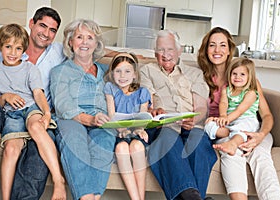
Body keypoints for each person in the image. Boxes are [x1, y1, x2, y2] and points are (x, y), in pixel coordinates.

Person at [0, 7, 65, 199]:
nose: (46, 33)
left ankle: (58, 182)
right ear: (31, 24)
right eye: (42, 26)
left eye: (52, 30)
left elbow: (38, 93)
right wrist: (4, 96)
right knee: (11, 148)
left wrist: (46, 114)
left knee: (37, 132)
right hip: (9, 112)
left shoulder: (53, 55)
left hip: (33, 108)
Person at [198, 26, 280, 200]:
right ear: (206, 50)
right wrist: (225, 128)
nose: (217, 50)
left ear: (230, 50)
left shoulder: (247, 79)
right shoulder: (200, 79)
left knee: (260, 156)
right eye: (212, 45)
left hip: (253, 128)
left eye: (222, 45)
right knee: (232, 155)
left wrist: (260, 135)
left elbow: (266, 115)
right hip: (226, 129)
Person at [140, 29, 217, 200]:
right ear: (155, 53)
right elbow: (147, 102)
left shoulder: (195, 74)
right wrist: (154, 111)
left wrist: (194, 119)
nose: (165, 55)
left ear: (179, 50)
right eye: (160, 50)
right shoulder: (147, 70)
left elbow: (201, 108)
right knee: (167, 137)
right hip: (164, 126)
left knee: (199, 140)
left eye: (170, 49)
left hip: (190, 126)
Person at [50, 18, 116, 200]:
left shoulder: (107, 72)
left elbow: (126, 93)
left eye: (90, 37)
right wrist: (90, 119)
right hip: (71, 118)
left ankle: (93, 197)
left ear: (97, 43)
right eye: (79, 37)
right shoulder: (60, 71)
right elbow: (62, 105)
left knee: (105, 140)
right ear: (70, 42)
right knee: (74, 139)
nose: (85, 42)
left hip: (102, 119)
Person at [104, 52, 151, 200]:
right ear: (112, 73)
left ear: (135, 75)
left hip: (136, 132)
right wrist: (122, 130)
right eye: (118, 71)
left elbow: (142, 117)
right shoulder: (110, 88)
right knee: (121, 148)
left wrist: (139, 130)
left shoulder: (143, 92)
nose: (122, 76)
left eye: (127, 71)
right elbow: (112, 114)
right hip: (118, 132)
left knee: (137, 147)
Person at [205, 58, 260, 156]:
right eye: (234, 73)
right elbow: (223, 104)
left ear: (249, 77)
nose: (237, 77)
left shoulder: (251, 93)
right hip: (230, 122)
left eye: (242, 74)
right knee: (208, 124)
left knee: (242, 129)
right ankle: (231, 133)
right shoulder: (226, 90)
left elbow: (240, 111)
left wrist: (227, 119)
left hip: (246, 120)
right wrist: (222, 116)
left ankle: (233, 144)